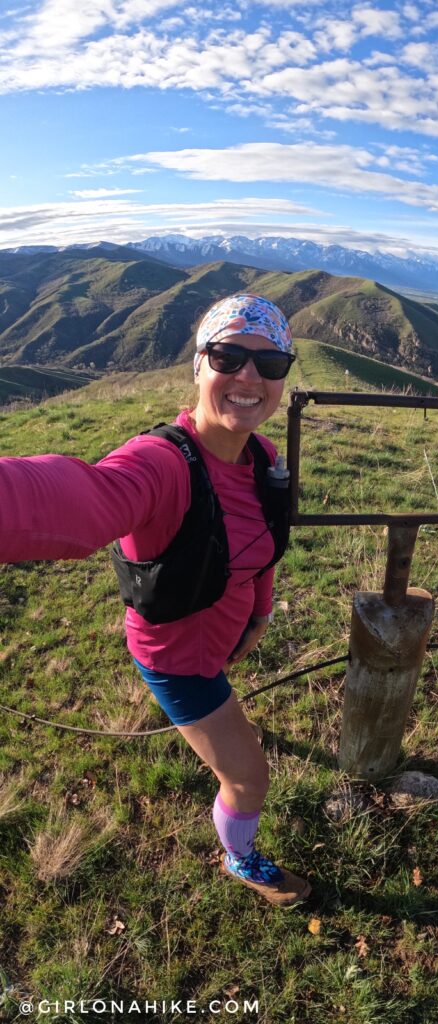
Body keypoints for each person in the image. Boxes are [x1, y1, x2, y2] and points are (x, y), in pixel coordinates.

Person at [0, 294, 310, 906]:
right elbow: (79, 497)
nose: (250, 377)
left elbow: (264, 544)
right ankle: (241, 859)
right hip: (179, 658)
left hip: (220, 635)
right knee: (248, 777)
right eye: (229, 356)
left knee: (232, 733)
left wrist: (261, 608)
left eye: (270, 364)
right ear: (199, 365)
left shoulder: (261, 457)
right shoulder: (163, 463)